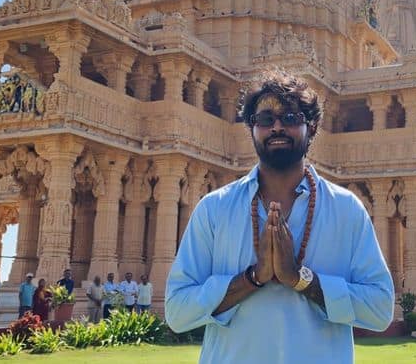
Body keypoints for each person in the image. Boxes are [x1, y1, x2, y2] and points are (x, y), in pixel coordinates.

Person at [165, 71, 394, 364]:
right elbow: (177, 312)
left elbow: (380, 309)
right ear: (251, 128)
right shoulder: (215, 209)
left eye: (290, 118)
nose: (276, 127)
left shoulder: (346, 209)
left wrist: (301, 279)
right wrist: (252, 278)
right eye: (265, 119)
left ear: (311, 128)